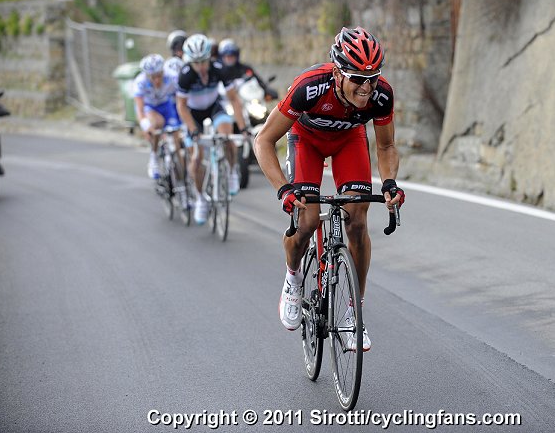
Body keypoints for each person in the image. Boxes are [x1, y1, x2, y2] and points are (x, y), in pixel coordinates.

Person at [254, 27, 405, 351]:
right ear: (337, 73)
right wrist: (284, 189)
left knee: (358, 220)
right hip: (306, 141)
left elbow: (387, 145)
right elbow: (263, 140)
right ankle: (293, 278)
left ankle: (354, 312)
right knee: (306, 221)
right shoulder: (309, 87)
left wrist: (390, 183)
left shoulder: (380, 95)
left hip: (348, 142)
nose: (366, 88)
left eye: (373, 78)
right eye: (357, 79)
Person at [175, 34, 248, 225]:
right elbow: (181, 106)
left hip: (214, 107)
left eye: (203, 61)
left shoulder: (219, 69)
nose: (200, 66)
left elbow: (234, 99)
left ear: (210, 57)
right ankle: (200, 199)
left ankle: (232, 171)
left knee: (227, 136)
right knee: (196, 157)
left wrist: (243, 127)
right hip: (193, 113)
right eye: (196, 62)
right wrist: (192, 130)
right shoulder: (185, 74)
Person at [132, 53, 180, 179]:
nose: (157, 80)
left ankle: (173, 158)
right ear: (147, 76)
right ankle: (153, 157)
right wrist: (145, 125)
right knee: (157, 123)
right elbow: (139, 108)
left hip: (166, 105)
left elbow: (182, 98)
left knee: (176, 134)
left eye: (159, 75)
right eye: (153, 77)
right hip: (149, 107)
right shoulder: (140, 82)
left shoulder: (172, 76)